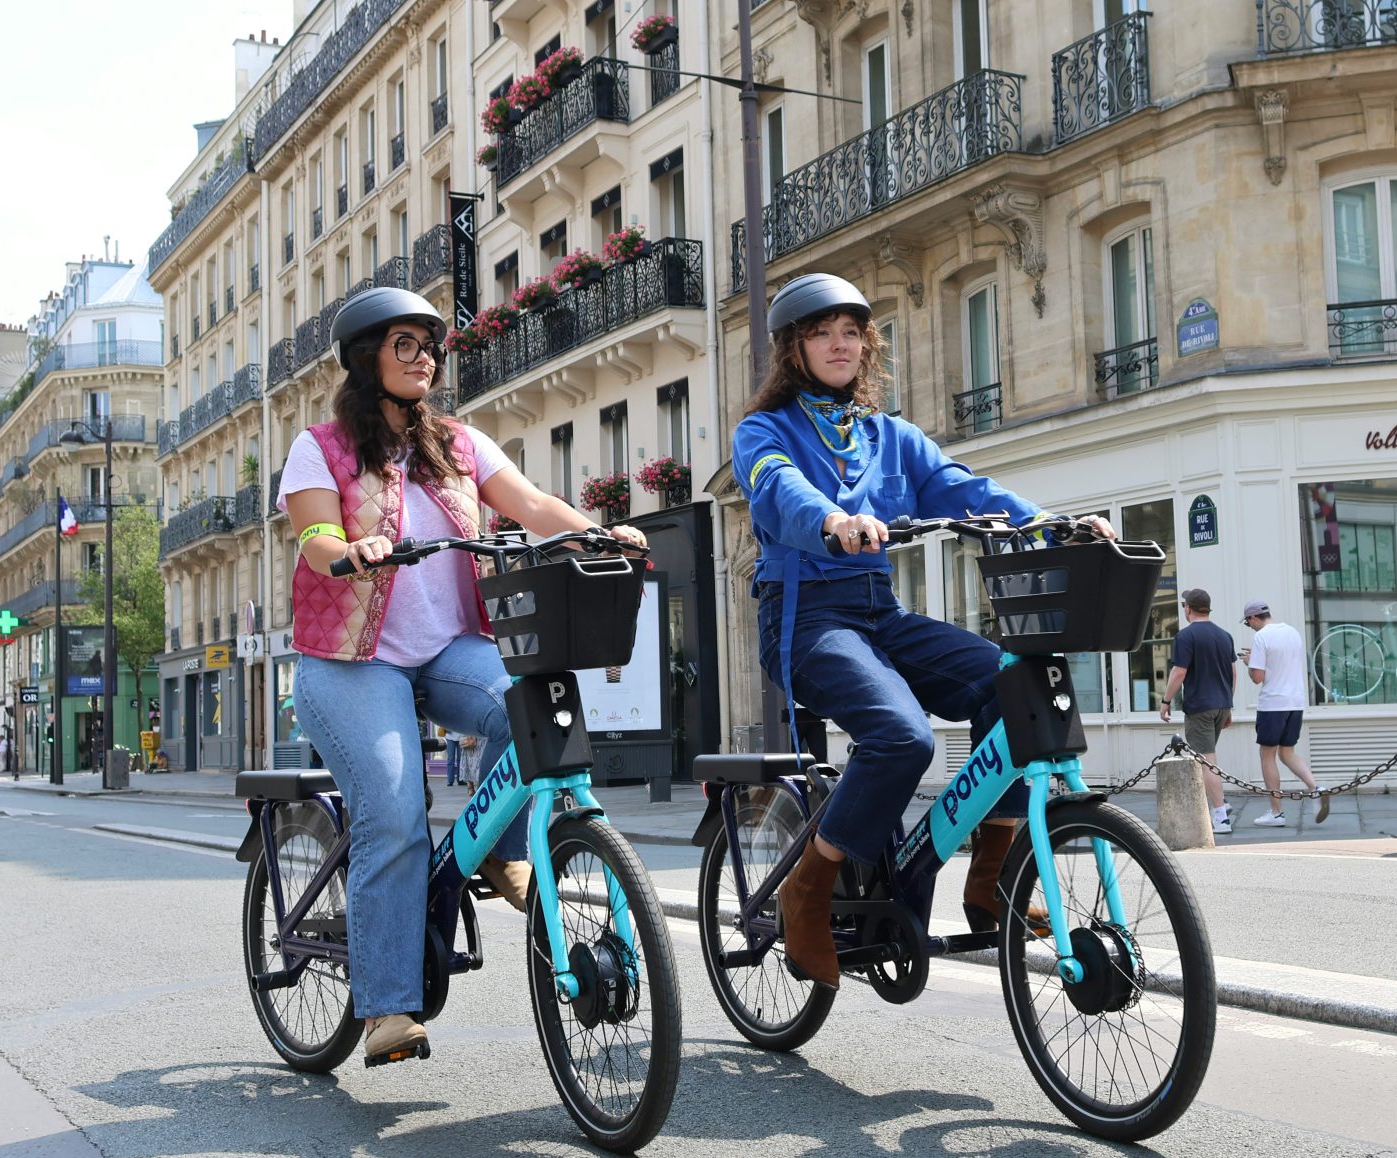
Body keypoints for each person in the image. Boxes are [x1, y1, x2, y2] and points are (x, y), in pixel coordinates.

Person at [283, 286, 647, 1068]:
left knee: (536, 696)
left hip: (448, 647)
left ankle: (502, 844)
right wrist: (347, 549)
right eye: (405, 345)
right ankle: (385, 1007)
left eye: (429, 346)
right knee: (392, 810)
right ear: (366, 357)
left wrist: (595, 532)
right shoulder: (321, 445)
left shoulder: (457, 444)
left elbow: (533, 502)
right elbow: (313, 527)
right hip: (352, 659)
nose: (423, 359)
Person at [733, 272, 1114, 989]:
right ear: (794, 348)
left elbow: (967, 490)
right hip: (807, 617)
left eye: (851, 331)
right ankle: (807, 887)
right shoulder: (764, 430)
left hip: (881, 612)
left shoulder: (891, 436)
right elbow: (777, 484)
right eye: (822, 332)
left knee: (1015, 685)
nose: (840, 344)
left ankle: (990, 878)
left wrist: (1048, 520)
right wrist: (833, 520)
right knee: (901, 735)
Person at [1159, 589, 1239, 833]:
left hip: (1200, 707)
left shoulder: (1186, 636)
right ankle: (1221, 801)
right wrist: (1228, 705)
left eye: (1184, 604)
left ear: (1188, 608)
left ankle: (1220, 817)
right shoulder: (1225, 635)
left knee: (1206, 762)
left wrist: (1165, 700)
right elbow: (1233, 672)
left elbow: (1179, 672)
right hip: (1221, 705)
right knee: (1207, 758)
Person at [1242, 600, 1328, 825]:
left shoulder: (1261, 637)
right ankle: (1316, 788)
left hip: (1273, 704)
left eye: (1248, 622)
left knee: (1267, 755)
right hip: (1295, 701)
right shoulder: (1292, 632)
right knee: (1287, 752)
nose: (1249, 626)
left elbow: (1257, 677)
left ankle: (1276, 812)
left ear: (1253, 618)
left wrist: (1250, 663)